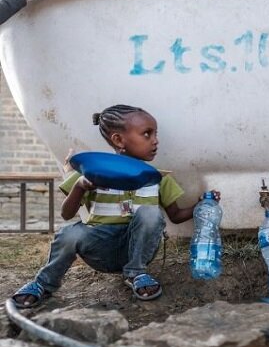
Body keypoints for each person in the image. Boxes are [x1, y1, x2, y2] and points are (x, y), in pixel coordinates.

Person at [12, 104, 220, 308]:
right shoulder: (93, 171)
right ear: (118, 140)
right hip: (100, 248)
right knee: (70, 233)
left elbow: (174, 215)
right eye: (147, 134)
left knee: (150, 212)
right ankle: (43, 284)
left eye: (156, 134)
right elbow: (67, 214)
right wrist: (80, 186)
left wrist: (202, 204)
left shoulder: (158, 179)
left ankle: (136, 274)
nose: (155, 141)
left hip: (137, 251)